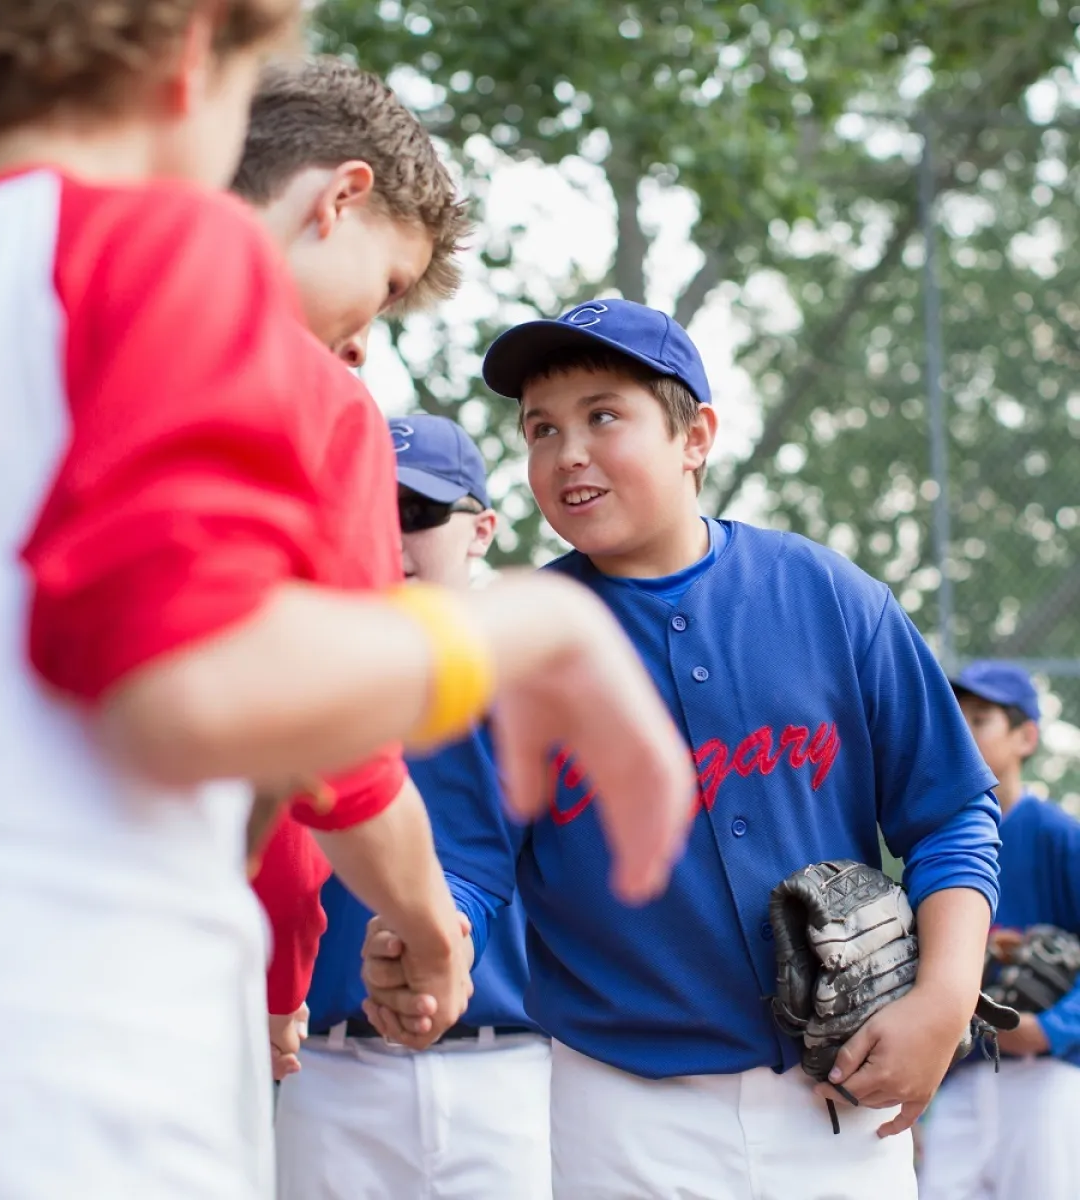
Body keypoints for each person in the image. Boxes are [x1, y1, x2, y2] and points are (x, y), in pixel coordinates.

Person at [0, 7, 698, 1196]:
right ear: (198, 49)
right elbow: (191, 686)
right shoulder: (162, 248)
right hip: (64, 1013)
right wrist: (528, 624)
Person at [363, 298, 1004, 1200]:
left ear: (695, 436)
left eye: (604, 415)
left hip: (843, 1086)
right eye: (541, 429)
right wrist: (430, 932)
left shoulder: (828, 596)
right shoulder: (506, 643)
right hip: (622, 1107)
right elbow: (467, 864)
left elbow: (951, 813)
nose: (567, 452)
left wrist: (942, 1002)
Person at [224, 53, 472, 1081]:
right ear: (340, 198)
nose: (367, 340)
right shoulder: (305, 399)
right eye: (388, 286)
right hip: (92, 966)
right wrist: (429, 929)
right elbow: (330, 741)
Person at [275, 414, 552, 1200]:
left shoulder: (532, 674)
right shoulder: (292, 674)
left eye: (420, 513)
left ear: (481, 530)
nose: (392, 538)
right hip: (325, 1067)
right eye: (369, 510)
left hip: (511, 1070)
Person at [918, 662, 1080, 1200]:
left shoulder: (1058, 834)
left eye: (980, 719)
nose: (962, 731)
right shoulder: (932, 842)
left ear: (1026, 737)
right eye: (954, 718)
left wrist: (1051, 1027)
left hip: (1046, 1077)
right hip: (964, 1076)